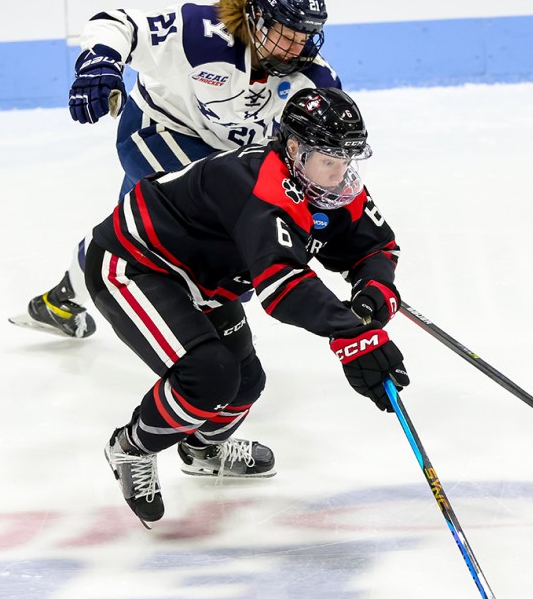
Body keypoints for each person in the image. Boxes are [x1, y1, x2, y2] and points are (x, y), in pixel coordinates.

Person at [85, 87, 408, 527]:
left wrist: (373, 292)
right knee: (208, 376)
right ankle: (131, 447)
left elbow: (376, 247)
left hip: (205, 280)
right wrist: (352, 334)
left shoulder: (329, 184)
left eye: (347, 160)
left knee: (245, 383)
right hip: (137, 263)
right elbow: (282, 286)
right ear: (295, 148)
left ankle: (201, 451)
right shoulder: (257, 184)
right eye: (329, 160)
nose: (340, 173)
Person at [10, 0, 340, 340]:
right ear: (256, 19)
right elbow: (117, 23)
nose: (297, 48)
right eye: (287, 35)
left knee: (129, 234)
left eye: (306, 36)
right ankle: (209, 330)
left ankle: (62, 301)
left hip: (223, 159)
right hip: (156, 133)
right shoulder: (200, 33)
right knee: (225, 238)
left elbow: (320, 160)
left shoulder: (314, 82)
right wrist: (101, 64)